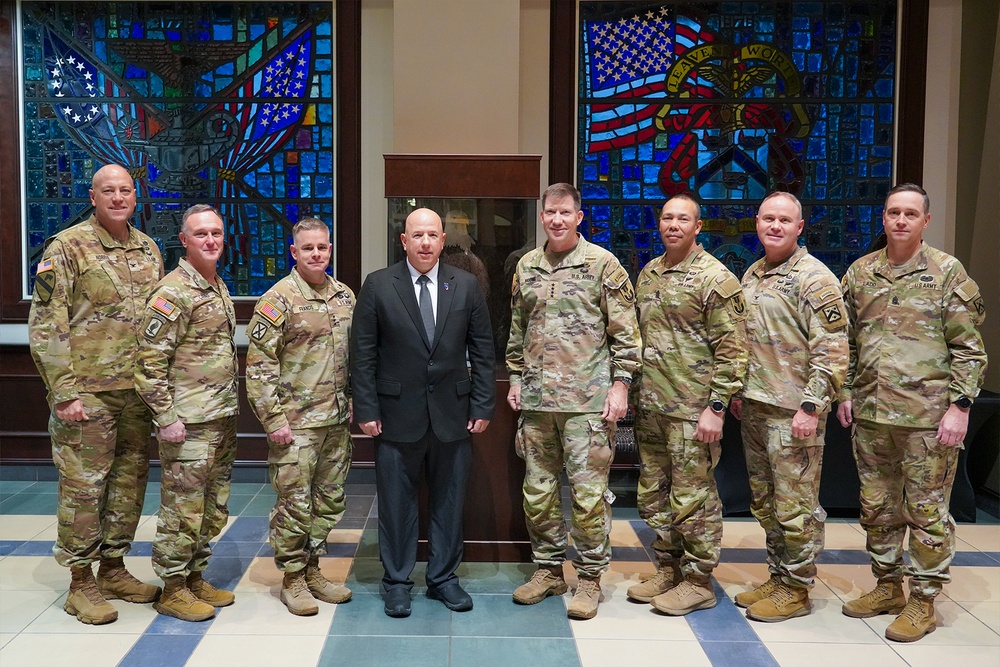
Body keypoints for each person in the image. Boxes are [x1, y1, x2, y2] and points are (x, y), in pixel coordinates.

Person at [837, 183, 987, 642]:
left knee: (926, 511)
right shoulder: (860, 274)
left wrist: (960, 407)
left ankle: (923, 600)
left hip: (929, 419)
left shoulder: (946, 272)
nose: (900, 221)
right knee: (878, 507)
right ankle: (887, 586)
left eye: (909, 214)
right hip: (871, 415)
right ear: (882, 219)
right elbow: (846, 342)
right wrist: (844, 391)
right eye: (892, 213)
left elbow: (969, 349)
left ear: (925, 220)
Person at [28, 164, 164, 625]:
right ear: (93, 196)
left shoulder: (147, 248)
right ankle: (80, 583)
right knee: (84, 489)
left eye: (126, 190)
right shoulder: (65, 248)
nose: (119, 197)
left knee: (128, 485)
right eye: (109, 190)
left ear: (134, 195)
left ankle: (113, 568)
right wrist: (63, 392)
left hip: (136, 395)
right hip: (87, 395)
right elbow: (47, 323)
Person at [350, 208, 495, 618]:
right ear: (404, 240)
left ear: (443, 239)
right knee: (396, 504)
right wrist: (366, 407)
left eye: (433, 235)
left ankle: (444, 579)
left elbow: (484, 351)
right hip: (395, 414)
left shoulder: (465, 285)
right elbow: (362, 355)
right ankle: (397, 581)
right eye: (418, 235)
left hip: (454, 413)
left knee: (449, 501)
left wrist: (483, 403)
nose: (426, 243)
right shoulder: (378, 285)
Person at [507, 183, 641, 620]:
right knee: (538, 493)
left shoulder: (604, 265)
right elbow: (517, 329)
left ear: (579, 217)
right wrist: (514, 378)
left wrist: (620, 386)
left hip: (588, 404)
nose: (557, 219)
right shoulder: (526, 265)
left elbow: (626, 335)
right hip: (537, 403)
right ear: (542, 216)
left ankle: (588, 579)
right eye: (550, 212)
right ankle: (548, 570)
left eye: (566, 212)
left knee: (588, 498)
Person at [730, 191, 848, 622]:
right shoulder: (753, 273)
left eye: (784, 220)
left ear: (800, 227)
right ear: (757, 223)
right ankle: (780, 576)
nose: (775, 226)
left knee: (796, 506)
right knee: (765, 502)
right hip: (757, 407)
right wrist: (740, 391)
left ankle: (797, 588)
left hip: (794, 411)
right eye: (768, 219)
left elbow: (833, 349)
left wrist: (811, 407)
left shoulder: (815, 279)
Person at [628, 194, 748, 615]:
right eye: (667, 217)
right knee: (655, 495)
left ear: (699, 227)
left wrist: (716, 408)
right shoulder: (650, 273)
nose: (673, 225)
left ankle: (698, 580)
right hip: (653, 407)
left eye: (683, 219)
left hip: (692, 411)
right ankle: (669, 566)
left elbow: (733, 350)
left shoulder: (715, 279)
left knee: (693, 498)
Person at [246, 218, 356, 616]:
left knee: (328, 501)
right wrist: (273, 420)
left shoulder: (345, 297)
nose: (316, 254)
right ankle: (292, 578)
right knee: (294, 504)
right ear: (294, 252)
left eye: (322, 248)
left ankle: (312, 569)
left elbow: (354, 357)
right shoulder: (278, 299)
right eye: (307, 248)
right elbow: (259, 367)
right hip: (296, 424)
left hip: (336, 420)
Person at [134, 204, 239, 622]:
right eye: (201, 234)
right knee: (183, 508)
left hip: (219, 416)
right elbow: (147, 364)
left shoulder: (215, 285)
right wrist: (166, 417)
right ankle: (173, 588)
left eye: (216, 233)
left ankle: (195, 576)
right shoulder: (172, 292)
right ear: (184, 240)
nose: (210, 240)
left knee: (212, 506)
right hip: (188, 423)